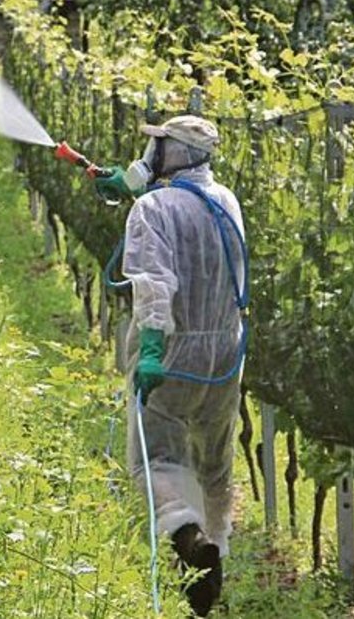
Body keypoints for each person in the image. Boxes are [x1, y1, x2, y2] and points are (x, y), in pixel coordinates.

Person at [98, 115, 245, 617]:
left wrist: (152, 349)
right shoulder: (227, 201)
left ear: (175, 152)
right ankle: (216, 552)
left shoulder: (153, 209)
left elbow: (154, 286)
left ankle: (186, 534)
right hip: (223, 359)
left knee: (156, 460)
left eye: (157, 144)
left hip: (173, 355)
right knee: (215, 464)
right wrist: (132, 186)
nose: (150, 152)